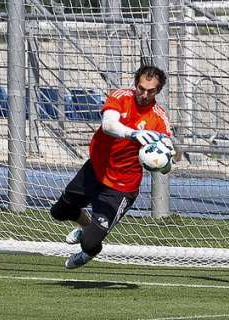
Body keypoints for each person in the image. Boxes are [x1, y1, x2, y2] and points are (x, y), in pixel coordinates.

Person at [49, 65, 174, 269]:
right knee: (59, 212)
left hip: (121, 188)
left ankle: (90, 249)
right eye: (141, 88)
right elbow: (108, 125)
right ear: (135, 84)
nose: (144, 94)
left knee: (89, 243)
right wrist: (133, 134)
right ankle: (86, 226)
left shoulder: (159, 120)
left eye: (151, 91)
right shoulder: (121, 97)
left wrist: (163, 163)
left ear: (158, 91)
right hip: (95, 170)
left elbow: (168, 162)